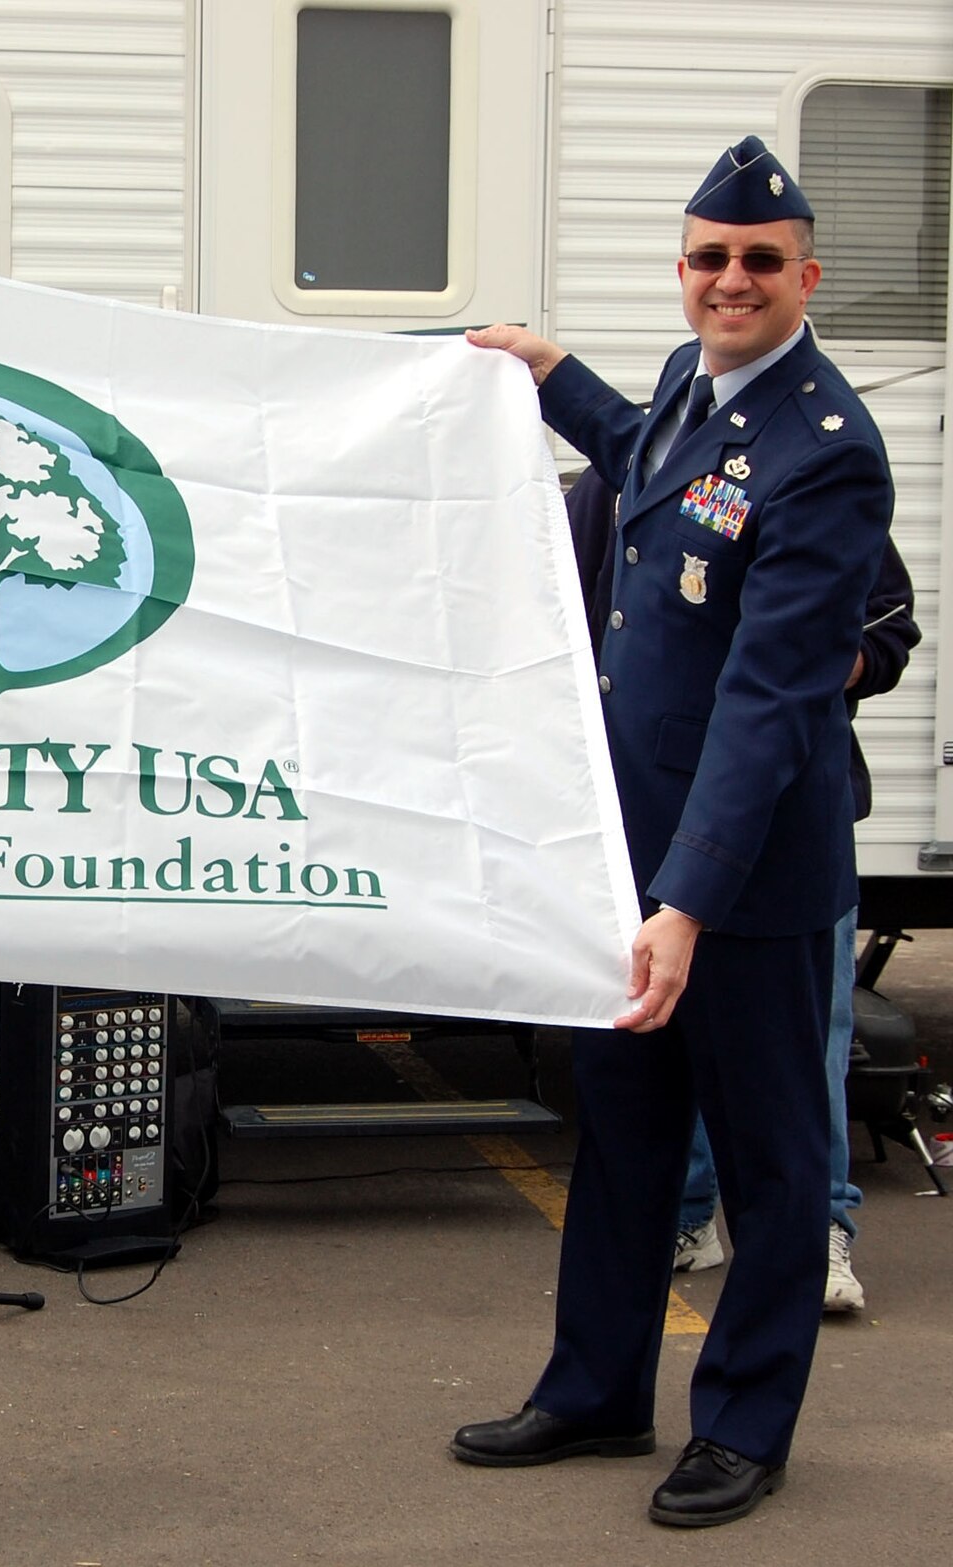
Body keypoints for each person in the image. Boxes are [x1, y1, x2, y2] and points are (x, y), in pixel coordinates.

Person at [453, 136, 893, 1528]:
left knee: (768, 1166)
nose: (732, 279)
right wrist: (541, 367)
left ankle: (745, 1425)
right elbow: (643, 456)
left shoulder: (829, 454)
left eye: (760, 260)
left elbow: (768, 702)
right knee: (627, 1140)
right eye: (709, 257)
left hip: (745, 883)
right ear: (686, 270)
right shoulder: (683, 386)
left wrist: (688, 903)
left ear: (805, 274)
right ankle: (594, 1387)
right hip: (632, 855)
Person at [567, 475, 920, 1309]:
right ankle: (688, 1216)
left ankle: (822, 1228)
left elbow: (887, 623)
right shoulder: (620, 474)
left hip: (780, 827)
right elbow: (562, 615)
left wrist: (812, 668)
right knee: (649, 1033)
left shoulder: (809, 469)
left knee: (802, 1058)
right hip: (640, 823)